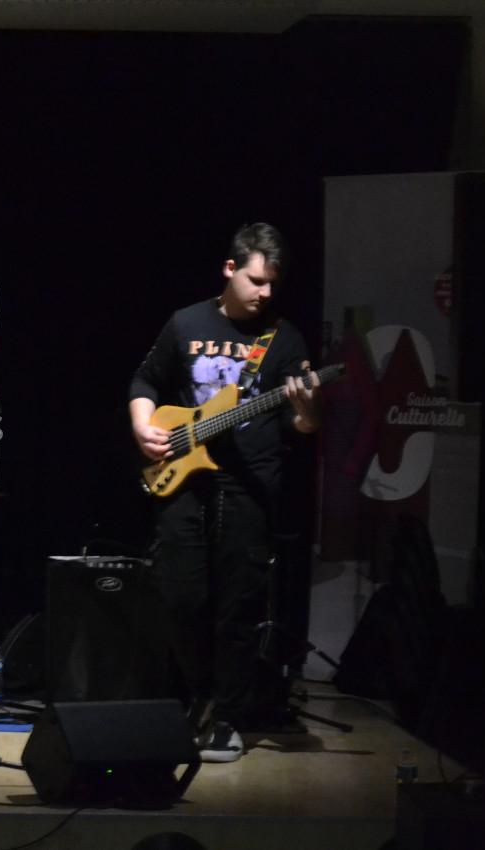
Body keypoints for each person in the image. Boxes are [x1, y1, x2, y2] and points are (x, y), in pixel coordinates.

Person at [128, 222, 321, 763]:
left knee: (238, 607)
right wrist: (144, 425)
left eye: (273, 286)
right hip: (184, 479)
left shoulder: (285, 340)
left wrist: (307, 415)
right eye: (256, 280)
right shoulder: (186, 322)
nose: (265, 293)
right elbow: (145, 381)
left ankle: (228, 719)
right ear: (230, 269)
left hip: (250, 485)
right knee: (180, 598)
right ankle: (201, 697)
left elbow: (297, 427)